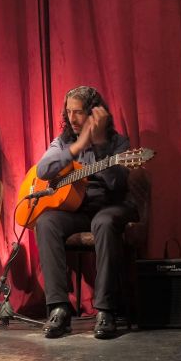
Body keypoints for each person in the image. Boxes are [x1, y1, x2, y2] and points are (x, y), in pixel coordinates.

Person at [34, 86, 136, 339]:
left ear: (93, 113)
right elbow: (43, 170)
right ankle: (58, 307)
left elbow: (117, 184)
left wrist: (99, 145)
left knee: (104, 222)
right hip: (78, 208)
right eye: (68, 112)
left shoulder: (118, 143)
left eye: (78, 112)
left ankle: (105, 310)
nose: (72, 118)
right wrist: (77, 147)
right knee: (46, 221)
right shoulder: (63, 141)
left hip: (111, 205)